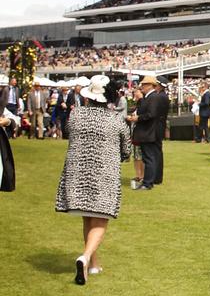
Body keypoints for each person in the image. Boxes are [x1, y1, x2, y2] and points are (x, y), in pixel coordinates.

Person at [55, 75, 131, 283]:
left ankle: (93, 264)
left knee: (87, 216)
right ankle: (86, 256)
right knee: (100, 217)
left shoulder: (76, 115)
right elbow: (126, 149)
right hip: (104, 174)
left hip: (77, 173)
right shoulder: (116, 120)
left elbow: (67, 133)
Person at [128, 73, 169, 191]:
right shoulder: (153, 97)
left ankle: (148, 182)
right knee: (152, 156)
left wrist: (138, 118)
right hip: (152, 130)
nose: (142, 87)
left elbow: (151, 114)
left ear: (151, 85)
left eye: (144, 85)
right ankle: (151, 179)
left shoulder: (154, 97)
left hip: (149, 131)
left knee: (149, 157)